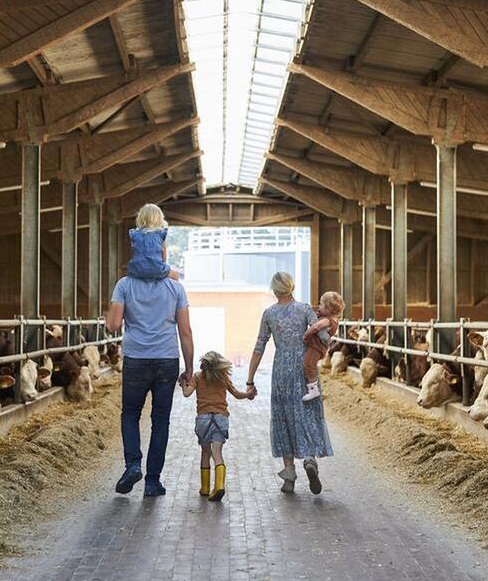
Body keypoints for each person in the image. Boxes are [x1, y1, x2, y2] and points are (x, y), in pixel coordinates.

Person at [105, 204, 194, 498]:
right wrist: (190, 369)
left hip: (136, 359)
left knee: (130, 413)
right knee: (161, 420)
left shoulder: (124, 285)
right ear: (161, 250)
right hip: (167, 360)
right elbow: (185, 332)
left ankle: (133, 464)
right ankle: (153, 481)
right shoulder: (176, 289)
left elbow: (113, 325)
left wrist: (121, 311)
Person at [245, 271, 334, 495]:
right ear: (292, 287)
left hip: (281, 370)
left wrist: (250, 379)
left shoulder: (269, 314)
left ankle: (289, 476)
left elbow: (259, 347)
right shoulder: (305, 309)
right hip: (304, 368)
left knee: (283, 417)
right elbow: (324, 335)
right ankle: (310, 458)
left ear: (275, 290)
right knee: (308, 413)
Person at [180, 350, 254, 502]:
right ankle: (219, 485)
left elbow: (187, 393)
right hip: (220, 419)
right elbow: (238, 394)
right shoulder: (223, 378)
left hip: (203, 420)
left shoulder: (197, 377)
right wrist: (249, 394)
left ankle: (205, 488)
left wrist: (182, 384)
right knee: (217, 453)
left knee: (205, 453)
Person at [301, 291, 345, 403]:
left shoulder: (327, 320)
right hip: (319, 347)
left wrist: (306, 334)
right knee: (309, 364)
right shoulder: (331, 319)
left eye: (321, 305)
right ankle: (312, 387)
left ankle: (313, 390)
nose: (319, 307)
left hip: (316, 347)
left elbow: (316, 327)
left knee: (308, 364)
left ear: (329, 309)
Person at [126, 203, 178, 280]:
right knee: (175, 275)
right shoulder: (161, 234)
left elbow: (134, 253)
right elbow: (164, 257)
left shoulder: (134, 234)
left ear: (140, 218)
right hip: (157, 270)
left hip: (136, 270)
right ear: (160, 219)